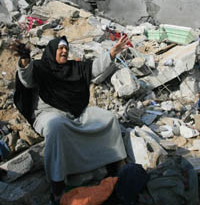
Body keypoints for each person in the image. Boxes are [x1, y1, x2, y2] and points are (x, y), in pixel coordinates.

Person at [11, 35, 129, 204]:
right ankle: (57, 184)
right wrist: (24, 59)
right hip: (48, 114)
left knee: (107, 118)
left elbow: (94, 68)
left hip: (75, 112)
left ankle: (116, 161)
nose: (64, 51)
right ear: (52, 51)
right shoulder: (39, 67)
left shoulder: (74, 68)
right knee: (56, 126)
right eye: (60, 48)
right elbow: (27, 80)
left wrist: (112, 53)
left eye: (66, 48)